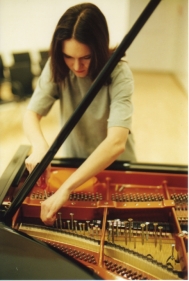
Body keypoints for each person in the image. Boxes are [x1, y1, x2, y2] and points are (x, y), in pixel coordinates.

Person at [23, 3, 136, 226]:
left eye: (86, 57)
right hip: (75, 163)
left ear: (100, 48)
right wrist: (40, 147)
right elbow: (31, 114)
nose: (77, 66)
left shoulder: (120, 73)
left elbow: (116, 142)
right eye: (68, 56)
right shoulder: (57, 67)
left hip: (115, 167)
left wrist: (66, 188)